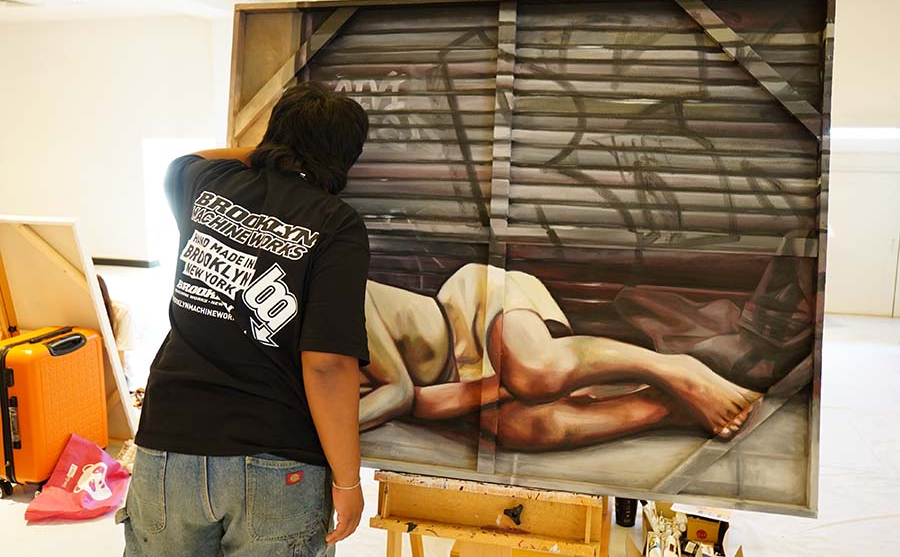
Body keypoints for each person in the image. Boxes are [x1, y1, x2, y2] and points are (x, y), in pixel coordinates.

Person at [120, 83, 370, 557]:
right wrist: (348, 480)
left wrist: (273, 152)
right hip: (276, 454)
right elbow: (327, 364)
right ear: (347, 157)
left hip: (169, 444)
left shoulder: (206, 183)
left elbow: (189, 157)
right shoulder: (336, 224)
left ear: (273, 133)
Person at [359, 263, 766, 451]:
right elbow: (420, 403)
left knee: (536, 373)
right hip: (459, 381)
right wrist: (498, 390)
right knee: (522, 429)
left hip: (470, 307)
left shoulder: (345, 300)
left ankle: (675, 368)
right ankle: (664, 408)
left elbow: (399, 393)